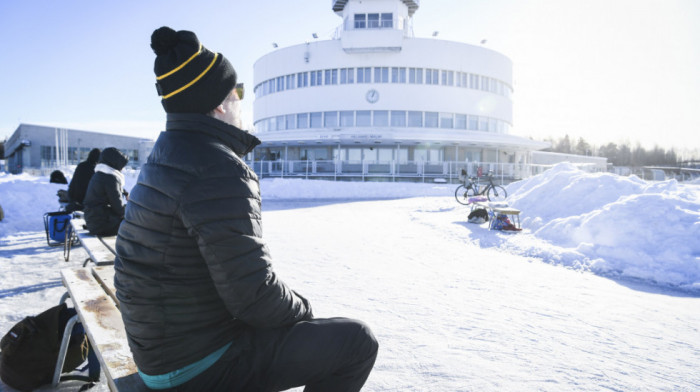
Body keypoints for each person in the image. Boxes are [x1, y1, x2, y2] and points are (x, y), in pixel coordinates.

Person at [114, 26, 378, 391]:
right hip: (195, 367)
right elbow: (254, 296)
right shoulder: (217, 168)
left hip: (162, 351)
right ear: (220, 104)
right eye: (237, 91)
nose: (242, 99)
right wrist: (305, 313)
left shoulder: (166, 157)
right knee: (356, 341)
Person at [82, 147, 129, 236]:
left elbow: (109, 189)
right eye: (121, 165)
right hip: (102, 225)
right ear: (115, 163)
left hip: (93, 220)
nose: (122, 168)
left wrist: (124, 192)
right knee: (135, 221)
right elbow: (119, 209)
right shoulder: (111, 178)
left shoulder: (100, 174)